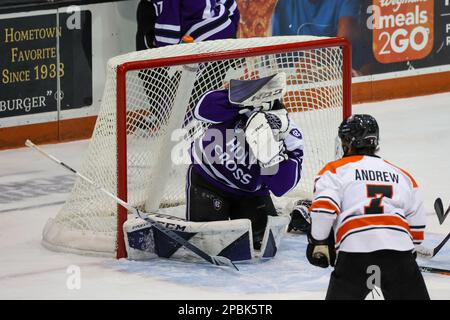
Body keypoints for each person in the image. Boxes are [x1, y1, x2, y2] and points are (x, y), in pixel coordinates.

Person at [305, 114, 429, 300]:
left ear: (347, 142)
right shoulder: (402, 174)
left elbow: (323, 209)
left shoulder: (334, 170)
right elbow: (417, 227)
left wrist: (319, 242)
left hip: (355, 251)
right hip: (399, 252)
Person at [187, 73, 304, 249]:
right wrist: (242, 101)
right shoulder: (241, 107)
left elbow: (281, 188)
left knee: (263, 243)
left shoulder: (290, 135)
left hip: (249, 193)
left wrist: (271, 154)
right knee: (207, 244)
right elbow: (201, 110)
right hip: (208, 180)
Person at [271, 0, 371, 76]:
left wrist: (316, 59)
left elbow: (344, 39)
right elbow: (272, 56)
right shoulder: (281, 5)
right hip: (298, 84)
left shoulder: (346, 2)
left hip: (344, 78)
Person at [136, 0, 240, 50]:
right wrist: (234, 40)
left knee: (194, 87)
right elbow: (232, 8)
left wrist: (166, 51)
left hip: (201, 40)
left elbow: (169, 21)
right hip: (225, 29)